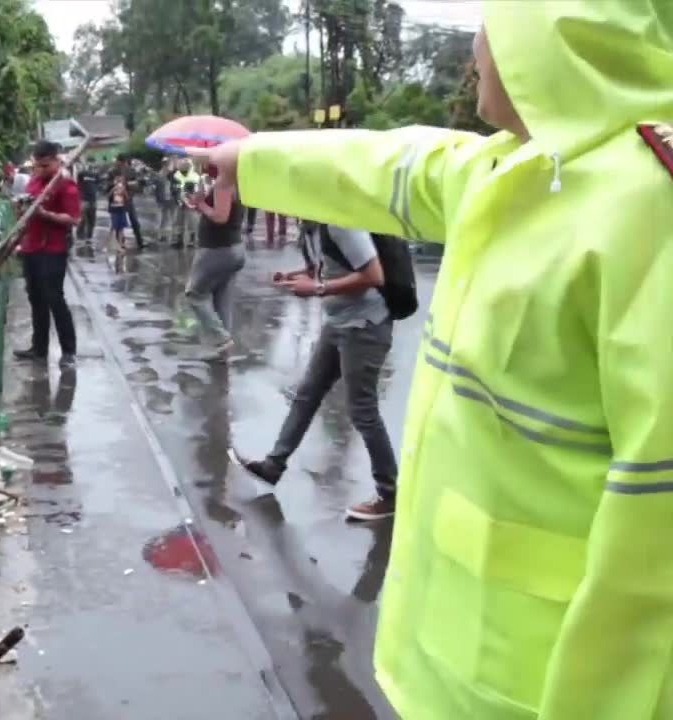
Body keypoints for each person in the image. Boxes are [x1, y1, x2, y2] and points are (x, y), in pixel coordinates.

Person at [194, 4, 673, 719]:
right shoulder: (514, 167)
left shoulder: (649, 211)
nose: (476, 46)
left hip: (544, 689)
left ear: (553, 35)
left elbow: (657, 539)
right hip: (447, 670)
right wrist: (248, 160)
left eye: (494, 23)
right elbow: (390, 165)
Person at [238, 223, 397, 518]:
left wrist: (318, 288)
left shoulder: (340, 224)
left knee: (363, 411)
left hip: (364, 326)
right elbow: (329, 267)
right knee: (307, 394)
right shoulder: (312, 225)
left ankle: (389, 494)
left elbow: (374, 275)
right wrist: (296, 276)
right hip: (338, 323)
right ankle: (273, 466)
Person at [14, 140, 80, 368]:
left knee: (55, 299)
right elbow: (25, 210)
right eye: (37, 165)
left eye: (45, 166)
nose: (40, 170)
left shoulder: (66, 185)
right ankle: (39, 348)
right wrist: (21, 209)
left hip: (53, 250)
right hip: (30, 247)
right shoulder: (34, 181)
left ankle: (68, 351)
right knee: (36, 299)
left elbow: (73, 219)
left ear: (56, 161)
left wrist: (45, 214)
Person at [184, 163, 246, 355]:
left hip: (217, 249)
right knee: (222, 300)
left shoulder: (223, 184)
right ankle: (222, 347)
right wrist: (201, 205)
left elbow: (220, 216)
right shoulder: (237, 183)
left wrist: (202, 204)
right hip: (232, 248)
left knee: (195, 294)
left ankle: (221, 338)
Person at [108, 155, 146, 249]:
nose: (120, 164)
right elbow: (108, 185)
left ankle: (139, 242)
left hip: (127, 199)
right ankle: (121, 243)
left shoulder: (130, 171)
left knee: (133, 222)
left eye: (121, 162)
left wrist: (127, 184)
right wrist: (115, 185)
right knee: (119, 223)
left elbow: (137, 184)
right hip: (118, 199)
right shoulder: (113, 171)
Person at [172, 159, 202, 246]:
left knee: (192, 222)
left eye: (185, 166)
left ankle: (192, 240)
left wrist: (192, 196)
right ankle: (179, 240)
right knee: (178, 221)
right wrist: (176, 196)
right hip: (179, 202)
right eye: (182, 166)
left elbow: (198, 190)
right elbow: (173, 187)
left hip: (190, 202)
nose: (183, 167)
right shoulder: (176, 176)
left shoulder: (195, 176)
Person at [155, 158, 179, 242]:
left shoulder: (172, 174)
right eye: (164, 163)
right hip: (163, 200)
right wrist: (158, 199)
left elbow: (176, 185)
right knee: (163, 219)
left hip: (172, 199)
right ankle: (162, 235)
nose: (166, 165)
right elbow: (156, 189)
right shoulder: (159, 175)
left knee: (173, 218)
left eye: (167, 163)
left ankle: (173, 236)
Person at [75, 163, 100, 242]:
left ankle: (89, 236)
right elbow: (78, 184)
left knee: (92, 219)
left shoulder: (96, 175)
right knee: (82, 218)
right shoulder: (82, 174)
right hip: (84, 199)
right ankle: (80, 235)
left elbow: (98, 185)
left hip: (93, 199)